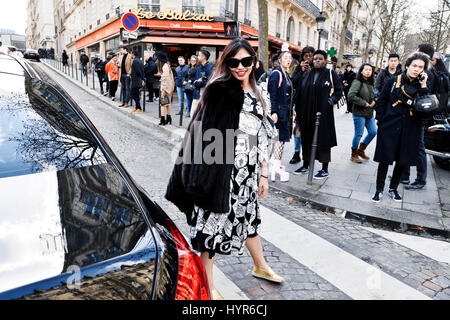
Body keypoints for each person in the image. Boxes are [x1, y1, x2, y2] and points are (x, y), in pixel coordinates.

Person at [165, 37, 282, 301]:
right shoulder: (218, 89)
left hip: (248, 173)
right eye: (234, 62)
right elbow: (201, 134)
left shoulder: (258, 91)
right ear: (226, 63)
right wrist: (201, 177)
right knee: (211, 226)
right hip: (221, 173)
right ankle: (207, 284)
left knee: (248, 217)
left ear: (254, 61)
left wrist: (263, 172)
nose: (240, 67)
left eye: (246, 61)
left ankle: (260, 266)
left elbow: (262, 136)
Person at [372, 52, 430, 203]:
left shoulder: (421, 86)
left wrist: (423, 86)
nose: (417, 69)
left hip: (411, 128)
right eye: (414, 66)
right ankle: (379, 190)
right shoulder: (392, 81)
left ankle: (393, 189)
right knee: (384, 159)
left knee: (402, 160)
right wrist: (381, 120)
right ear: (407, 66)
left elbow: (426, 106)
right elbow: (381, 101)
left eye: (420, 67)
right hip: (390, 126)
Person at [293, 50, 342, 179]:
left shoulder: (330, 74)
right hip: (306, 113)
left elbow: (339, 91)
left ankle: (324, 169)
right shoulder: (306, 74)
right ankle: (306, 164)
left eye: (320, 59)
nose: (317, 61)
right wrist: (297, 110)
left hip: (323, 114)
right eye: (315, 59)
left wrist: (330, 102)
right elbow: (296, 88)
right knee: (306, 138)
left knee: (323, 140)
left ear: (325, 61)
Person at [400, 44, 436, 190]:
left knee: (419, 148)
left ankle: (421, 180)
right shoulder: (423, 71)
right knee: (407, 145)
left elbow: (425, 95)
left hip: (419, 116)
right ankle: (404, 175)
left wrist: (423, 84)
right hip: (412, 115)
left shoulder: (427, 74)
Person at [268, 50, 293, 182]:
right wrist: (274, 112)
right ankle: (275, 165)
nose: (288, 60)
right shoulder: (276, 74)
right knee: (280, 139)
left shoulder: (286, 74)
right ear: (279, 60)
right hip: (279, 112)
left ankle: (274, 163)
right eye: (285, 58)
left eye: (290, 58)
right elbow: (272, 95)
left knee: (281, 138)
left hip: (286, 112)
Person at [347, 63, 377, 163]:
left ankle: (361, 150)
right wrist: (364, 103)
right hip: (359, 113)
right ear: (361, 71)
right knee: (358, 134)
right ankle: (353, 154)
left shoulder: (371, 82)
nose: (368, 71)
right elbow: (351, 95)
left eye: (370, 70)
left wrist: (374, 101)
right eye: (366, 69)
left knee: (373, 132)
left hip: (369, 113)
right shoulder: (357, 81)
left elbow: (374, 95)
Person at [290, 46, 315, 165]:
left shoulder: (317, 69)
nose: (308, 58)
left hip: (312, 106)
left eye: (311, 56)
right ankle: (296, 153)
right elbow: (292, 83)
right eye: (306, 56)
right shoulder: (299, 69)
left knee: (309, 131)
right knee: (298, 130)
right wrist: (300, 71)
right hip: (300, 104)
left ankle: (307, 155)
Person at [191, 49, 214, 117]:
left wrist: (200, 82)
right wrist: (198, 82)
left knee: (202, 115)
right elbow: (196, 80)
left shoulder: (210, 68)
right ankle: (195, 128)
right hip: (196, 93)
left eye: (199, 55)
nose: (197, 57)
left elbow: (209, 82)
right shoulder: (199, 67)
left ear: (204, 57)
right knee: (193, 114)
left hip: (204, 93)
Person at [155, 51, 175, 125]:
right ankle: (168, 117)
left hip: (165, 89)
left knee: (163, 105)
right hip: (168, 88)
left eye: (157, 57)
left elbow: (165, 79)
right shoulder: (166, 65)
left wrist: (163, 90)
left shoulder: (165, 66)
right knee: (168, 104)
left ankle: (163, 119)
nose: (156, 59)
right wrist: (160, 74)